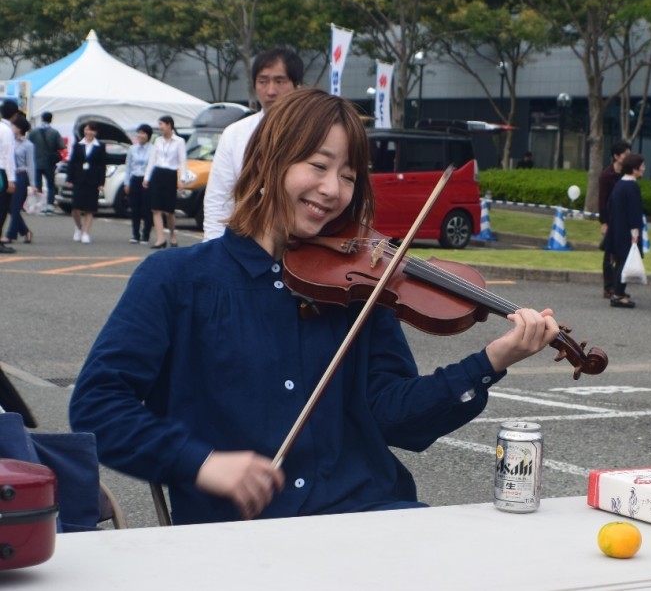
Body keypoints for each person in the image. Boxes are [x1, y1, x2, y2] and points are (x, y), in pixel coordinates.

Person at [68, 88, 560, 526]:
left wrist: (492, 361)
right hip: (242, 535)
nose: (332, 190)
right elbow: (97, 406)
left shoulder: (359, 289)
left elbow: (393, 417)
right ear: (267, 162)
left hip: (368, 513)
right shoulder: (175, 280)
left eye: (348, 175)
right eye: (318, 166)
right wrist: (200, 462)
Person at [203, 48, 303, 241]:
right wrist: (212, 247)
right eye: (263, 81)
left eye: (280, 81)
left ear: (297, 85)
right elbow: (219, 199)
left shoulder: (314, 131)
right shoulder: (235, 134)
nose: (271, 91)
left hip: (301, 248)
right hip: (247, 243)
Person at [606, 153, 646, 308]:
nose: (643, 168)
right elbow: (634, 212)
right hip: (627, 231)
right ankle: (619, 295)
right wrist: (635, 234)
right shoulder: (632, 186)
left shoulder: (620, 183)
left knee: (619, 262)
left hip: (616, 229)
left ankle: (617, 290)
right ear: (635, 168)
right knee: (624, 262)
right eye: (642, 166)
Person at [144, 115, 186, 249]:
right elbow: (152, 159)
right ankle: (160, 239)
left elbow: (183, 161)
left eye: (161, 124)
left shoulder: (179, 141)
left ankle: (172, 234)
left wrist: (183, 179)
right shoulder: (157, 140)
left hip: (170, 175)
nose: (160, 128)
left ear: (169, 125)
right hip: (158, 173)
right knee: (155, 209)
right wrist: (147, 177)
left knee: (169, 211)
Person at [598, 141, 631, 299]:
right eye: (626, 155)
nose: (628, 157)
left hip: (623, 221)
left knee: (621, 255)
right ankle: (608, 286)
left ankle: (617, 285)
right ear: (616, 156)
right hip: (611, 220)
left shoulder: (627, 174)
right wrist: (604, 221)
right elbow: (602, 200)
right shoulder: (607, 175)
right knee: (609, 254)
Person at [65, 121, 106, 245]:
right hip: (79, 179)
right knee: (75, 208)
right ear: (84, 131)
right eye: (88, 130)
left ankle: (86, 233)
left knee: (90, 208)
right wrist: (69, 178)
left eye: (92, 130)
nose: (90, 133)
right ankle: (79, 227)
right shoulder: (78, 145)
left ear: (96, 132)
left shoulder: (100, 146)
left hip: (93, 180)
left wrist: (101, 182)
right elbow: (72, 163)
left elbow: (102, 165)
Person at [3, 116, 37, 245]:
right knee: (9, 208)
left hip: (21, 176)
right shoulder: (10, 141)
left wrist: (33, 184)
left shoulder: (28, 145)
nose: (12, 128)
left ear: (20, 128)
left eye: (14, 126)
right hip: (9, 175)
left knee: (15, 206)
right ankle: (25, 231)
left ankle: (10, 235)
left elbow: (31, 164)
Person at [27, 111, 63, 214]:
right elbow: (62, 146)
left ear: (41, 119)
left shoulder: (33, 132)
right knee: (51, 185)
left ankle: (38, 205)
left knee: (38, 184)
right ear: (51, 120)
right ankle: (50, 206)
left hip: (36, 162)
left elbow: (28, 144)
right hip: (49, 163)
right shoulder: (54, 133)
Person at [124, 124, 154, 244]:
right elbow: (128, 167)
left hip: (147, 181)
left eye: (143, 133)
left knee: (146, 209)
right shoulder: (132, 149)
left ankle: (145, 235)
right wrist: (127, 183)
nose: (140, 135)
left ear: (148, 135)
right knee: (134, 208)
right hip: (135, 179)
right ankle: (135, 234)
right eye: (139, 133)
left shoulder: (153, 149)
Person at [0, 101, 17, 254]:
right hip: (2, 172)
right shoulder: (7, 130)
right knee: (2, 207)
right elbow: (8, 156)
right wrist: (11, 179)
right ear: (14, 114)